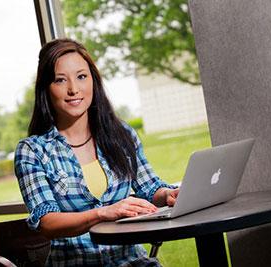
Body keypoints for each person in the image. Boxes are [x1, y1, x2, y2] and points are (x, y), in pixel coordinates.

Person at [14, 38, 179, 267]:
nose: (74, 89)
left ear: (93, 81)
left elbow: (149, 186)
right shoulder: (32, 151)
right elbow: (47, 223)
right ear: (46, 88)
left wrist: (168, 194)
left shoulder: (122, 135)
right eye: (61, 80)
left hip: (132, 262)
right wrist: (104, 213)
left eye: (82, 76)